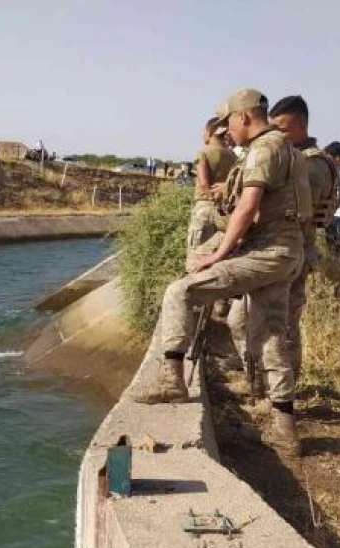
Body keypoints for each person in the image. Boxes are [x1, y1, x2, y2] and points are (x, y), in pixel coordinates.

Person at [131, 88, 310, 457]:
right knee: (271, 333)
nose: (229, 130)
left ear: (243, 117)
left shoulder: (264, 148)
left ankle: (172, 380)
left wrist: (220, 254)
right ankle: (284, 429)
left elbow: (248, 205)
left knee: (181, 292)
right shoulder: (289, 149)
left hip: (267, 252)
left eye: (230, 121)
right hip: (287, 252)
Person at [228, 95, 338, 393]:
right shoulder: (288, 155)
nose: (274, 133)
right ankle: (259, 382)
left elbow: (297, 213)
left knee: (282, 327)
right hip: (272, 252)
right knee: (243, 320)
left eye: (282, 128)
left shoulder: (311, 162)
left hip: (291, 254)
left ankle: (283, 391)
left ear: (300, 125)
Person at [187, 117, 237, 257]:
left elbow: (204, 183)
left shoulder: (204, 152)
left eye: (203, 132)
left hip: (205, 207)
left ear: (210, 132)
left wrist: (211, 199)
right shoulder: (232, 155)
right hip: (225, 209)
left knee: (196, 253)